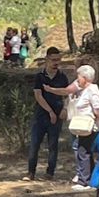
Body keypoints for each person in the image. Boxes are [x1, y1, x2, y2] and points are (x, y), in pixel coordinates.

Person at [27, 46, 74, 180]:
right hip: (41, 115)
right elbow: (38, 95)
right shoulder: (40, 77)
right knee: (35, 144)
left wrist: (65, 109)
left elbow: (66, 95)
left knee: (53, 145)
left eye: (58, 60)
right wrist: (49, 111)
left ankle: (50, 173)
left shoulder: (62, 77)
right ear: (47, 60)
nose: (56, 63)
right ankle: (31, 172)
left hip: (57, 115)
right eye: (53, 60)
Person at [68, 65, 99, 188]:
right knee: (83, 151)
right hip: (83, 127)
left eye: (79, 77)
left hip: (89, 127)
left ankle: (84, 181)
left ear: (85, 78)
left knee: (83, 152)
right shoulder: (84, 90)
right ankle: (89, 179)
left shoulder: (92, 90)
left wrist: (94, 117)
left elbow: (97, 107)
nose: (77, 80)